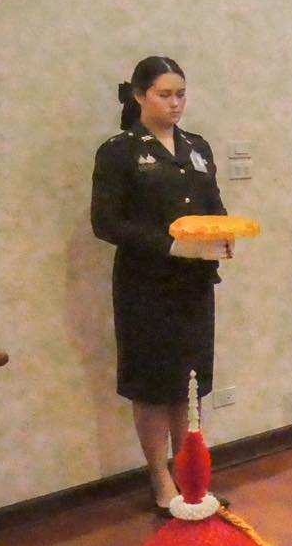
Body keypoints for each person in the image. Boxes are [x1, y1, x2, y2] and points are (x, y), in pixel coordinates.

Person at [91, 56, 229, 509]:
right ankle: (160, 479)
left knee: (189, 384)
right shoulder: (120, 151)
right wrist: (170, 245)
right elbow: (106, 222)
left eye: (181, 95)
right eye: (164, 95)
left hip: (194, 284)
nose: (175, 104)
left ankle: (192, 476)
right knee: (153, 385)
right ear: (139, 96)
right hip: (145, 286)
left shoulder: (196, 147)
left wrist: (223, 234)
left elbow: (214, 205)